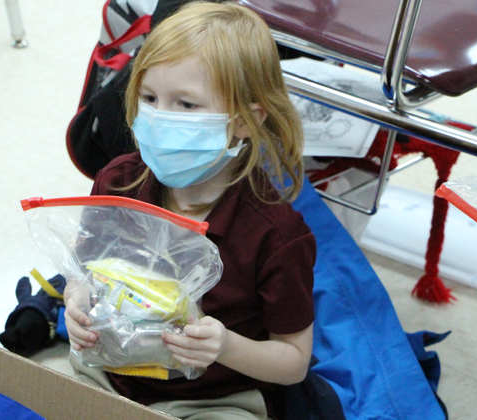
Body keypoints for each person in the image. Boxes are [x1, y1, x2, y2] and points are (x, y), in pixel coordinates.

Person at [64, 2, 316, 419]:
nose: (160, 117)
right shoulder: (117, 183)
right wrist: (76, 302)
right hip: (105, 374)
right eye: (149, 97)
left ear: (243, 121)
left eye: (186, 105)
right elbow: (83, 270)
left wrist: (226, 345)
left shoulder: (275, 235)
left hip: (214, 400)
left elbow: (293, 361)